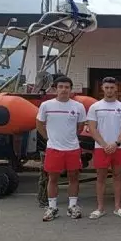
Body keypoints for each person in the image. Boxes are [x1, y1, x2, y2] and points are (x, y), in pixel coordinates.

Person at [36, 76, 87, 222]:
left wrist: (71, 137)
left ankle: (73, 206)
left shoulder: (78, 107)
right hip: (53, 148)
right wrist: (49, 138)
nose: (64, 89)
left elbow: (80, 127)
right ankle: (52, 207)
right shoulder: (46, 105)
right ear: (55, 88)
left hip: (72, 148)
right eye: (61, 87)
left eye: (67, 87)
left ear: (71, 89)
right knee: (53, 178)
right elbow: (39, 124)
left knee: (74, 177)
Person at [86, 76, 121, 219]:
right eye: (107, 87)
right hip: (101, 148)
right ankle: (100, 208)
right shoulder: (95, 107)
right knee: (101, 178)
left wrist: (116, 144)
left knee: (118, 177)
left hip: (119, 147)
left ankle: (118, 207)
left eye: (112, 88)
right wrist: (104, 145)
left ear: (116, 88)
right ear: (102, 88)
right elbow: (92, 128)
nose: (109, 90)